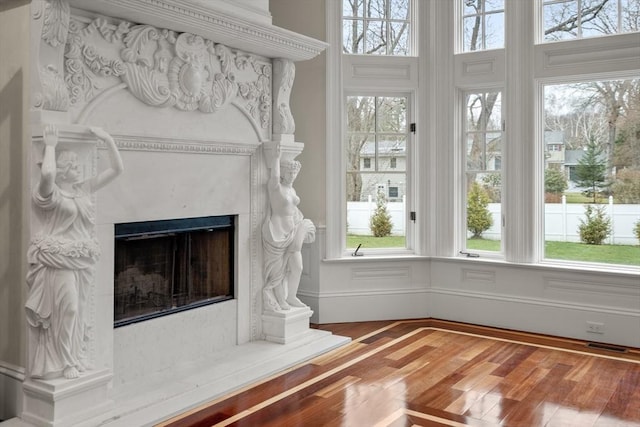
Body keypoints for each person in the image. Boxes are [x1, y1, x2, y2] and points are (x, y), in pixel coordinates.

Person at [26, 124, 124, 379]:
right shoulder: (50, 193)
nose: (78, 167)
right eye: (72, 164)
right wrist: (49, 146)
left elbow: (117, 170)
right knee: (67, 308)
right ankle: (64, 361)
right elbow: (47, 174)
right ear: (62, 170)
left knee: (79, 311)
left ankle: (76, 356)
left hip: (82, 257)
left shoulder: (83, 189)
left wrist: (108, 138)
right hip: (58, 258)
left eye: (77, 164)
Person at [262, 143, 315, 312]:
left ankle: (291, 296)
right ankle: (280, 299)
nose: (292, 175)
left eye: (295, 172)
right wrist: (276, 158)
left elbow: (294, 209)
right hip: (278, 232)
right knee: (278, 271)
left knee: (297, 267)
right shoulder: (276, 188)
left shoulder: (292, 190)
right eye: (289, 172)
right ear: (283, 172)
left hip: (292, 231)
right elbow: (274, 177)